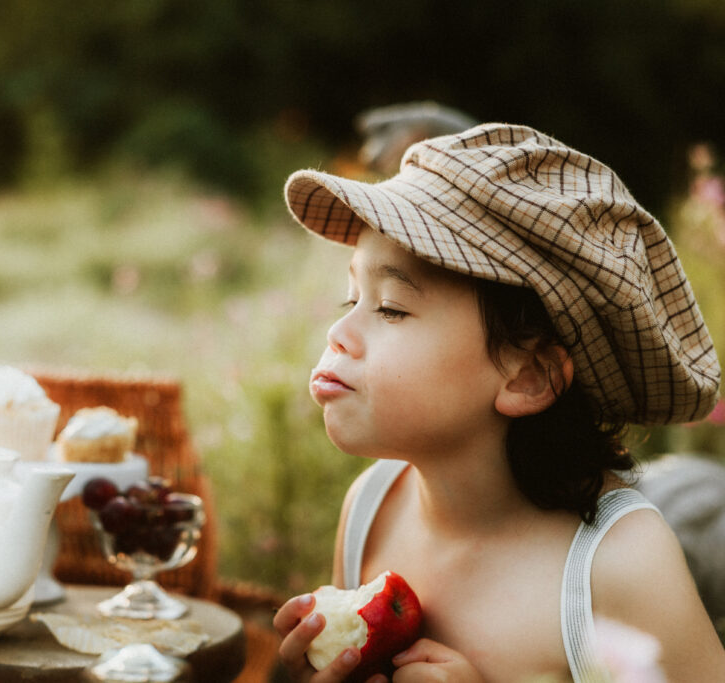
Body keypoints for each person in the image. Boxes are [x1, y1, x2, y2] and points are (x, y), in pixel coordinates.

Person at [272, 123, 725, 682]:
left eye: (390, 307)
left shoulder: (616, 565)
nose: (339, 330)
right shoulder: (372, 505)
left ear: (529, 376)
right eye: (351, 296)